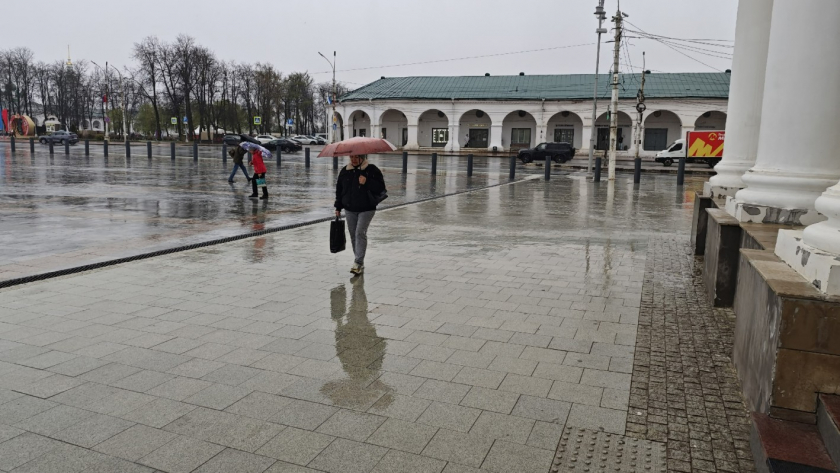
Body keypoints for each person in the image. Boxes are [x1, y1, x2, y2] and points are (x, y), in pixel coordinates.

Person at [334, 155, 386, 275]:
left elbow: (381, 188)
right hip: (349, 208)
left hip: (367, 208)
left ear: (362, 157)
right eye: (352, 157)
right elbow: (340, 190)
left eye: (357, 157)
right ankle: (359, 262)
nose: (354, 160)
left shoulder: (372, 170)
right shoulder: (345, 171)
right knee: (353, 235)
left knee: (359, 233)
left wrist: (366, 181)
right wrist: (338, 206)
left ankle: (357, 262)